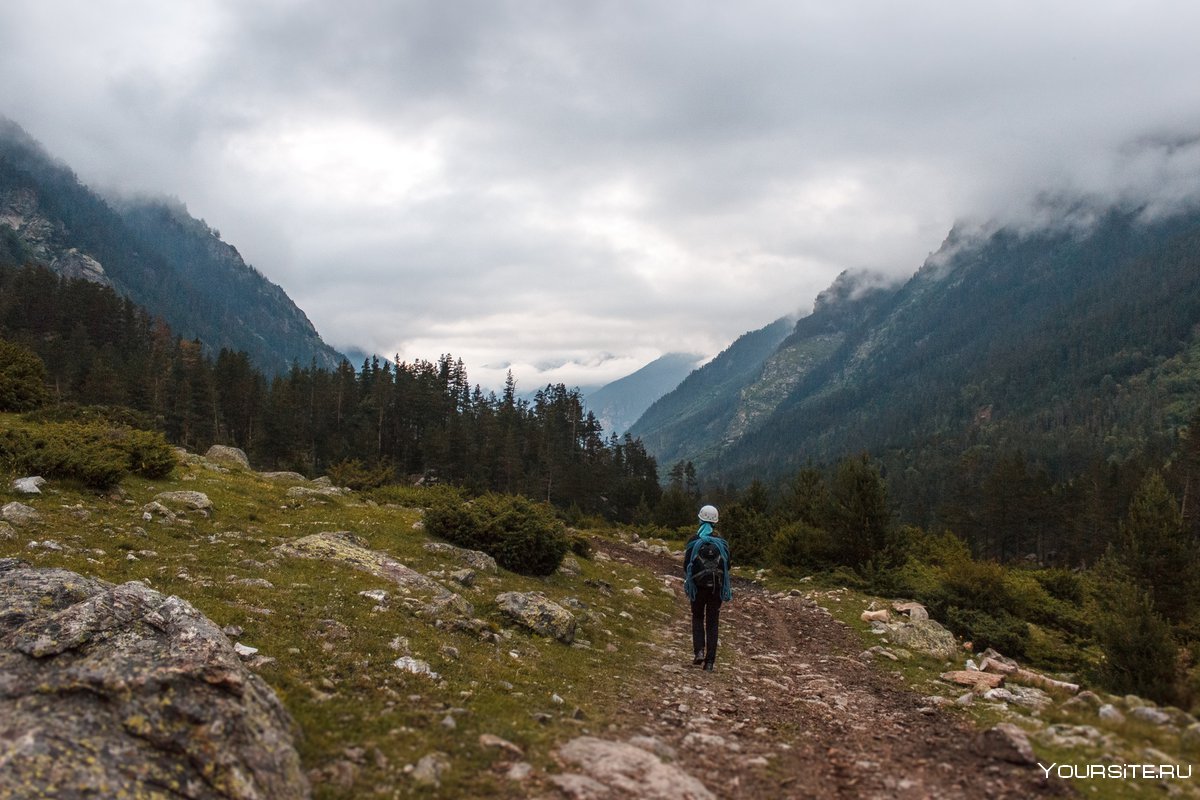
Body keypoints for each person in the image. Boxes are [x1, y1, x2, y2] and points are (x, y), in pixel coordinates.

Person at [683, 504, 732, 671]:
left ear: (700, 519)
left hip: (698, 587)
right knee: (712, 622)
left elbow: (686, 565)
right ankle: (710, 662)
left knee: (697, 617)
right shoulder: (721, 543)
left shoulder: (693, 542)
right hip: (716, 589)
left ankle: (699, 652)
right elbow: (728, 566)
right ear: (715, 523)